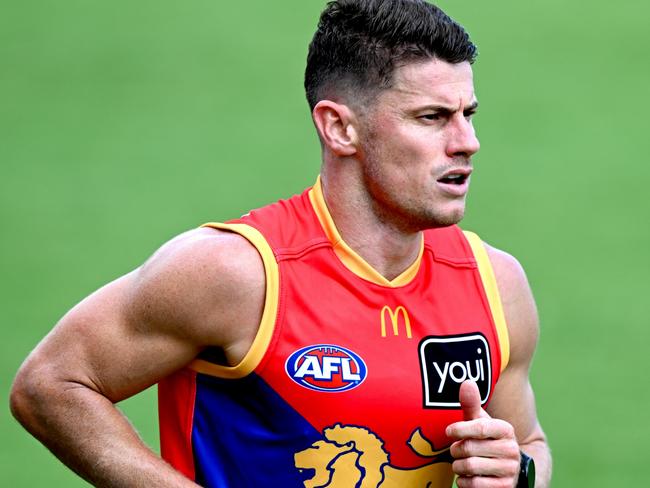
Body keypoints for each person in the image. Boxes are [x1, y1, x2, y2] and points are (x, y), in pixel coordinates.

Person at [10, 0, 551, 486]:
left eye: (468, 115)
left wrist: (517, 473)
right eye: (432, 118)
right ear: (340, 128)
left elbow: (529, 444)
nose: (468, 143)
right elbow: (50, 386)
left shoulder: (494, 284)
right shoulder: (239, 273)